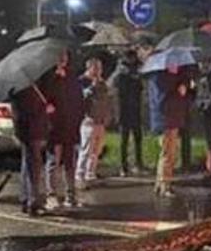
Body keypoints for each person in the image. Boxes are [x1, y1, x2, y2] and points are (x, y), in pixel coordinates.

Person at [45, 50, 83, 208]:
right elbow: (45, 98)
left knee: (70, 162)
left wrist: (78, 117)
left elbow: (78, 98)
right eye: (59, 56)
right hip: (54, 127)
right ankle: (52, 194)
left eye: (65, 56)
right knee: (54, 161)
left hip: (70, 125)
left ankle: (71, 194)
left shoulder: (71, 76)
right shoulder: (48, 77)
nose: (62, 59)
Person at [12, 79, 51, 216]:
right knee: (33, 167)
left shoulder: (34, 88)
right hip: (30, 132)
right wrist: (44, 109)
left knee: (29, 165)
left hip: (34, 131)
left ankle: (26, 199)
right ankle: (32, 202)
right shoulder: (22, 91)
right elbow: (27, 113)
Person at [154, 64, 193, 198]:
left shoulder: (179, 75)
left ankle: (161, 183)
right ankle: (164, 185)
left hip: (175, 117)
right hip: (165, 118)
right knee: (167, 153)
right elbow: (161, 97)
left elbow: (186, 86)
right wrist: (177, 88)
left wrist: (184, 84)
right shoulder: (159, 76)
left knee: (170, 153)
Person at [76, 57, 113, 188]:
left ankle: (90, 173)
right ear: (89, 68)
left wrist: (108, 114)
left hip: (100, 120)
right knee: (86, 149)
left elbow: (107, 99)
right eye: (96, 68)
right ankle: (79, 175)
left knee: (96, 150)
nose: (99, 71)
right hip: (88, 120)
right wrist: (92, 86)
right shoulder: (82, 81)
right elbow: (81, 97)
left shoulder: (102, 83)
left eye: (100, 68)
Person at [110, 47, 147, 176]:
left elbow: (141, 89)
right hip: (124, 109)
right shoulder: (120, 73)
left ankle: (138, 163)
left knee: (137, 138)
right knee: (124, 139)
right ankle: (123, 166)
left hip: (134, 108)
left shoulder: (137, 70)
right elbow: (116, 92)